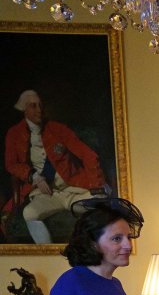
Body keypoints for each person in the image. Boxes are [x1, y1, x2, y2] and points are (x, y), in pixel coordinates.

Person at [4, 90, 108, 244]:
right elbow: (11, 164)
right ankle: (48, 252)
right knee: (30, 213)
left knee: (101, 202)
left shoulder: (57, 128)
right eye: (33, 106)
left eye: (40, 105)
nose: (39, 110)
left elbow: (87, 154)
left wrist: (96, 184)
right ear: (24, 109)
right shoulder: (14, 133)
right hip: (46, 194)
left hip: (72, 189)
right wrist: (34, 176)